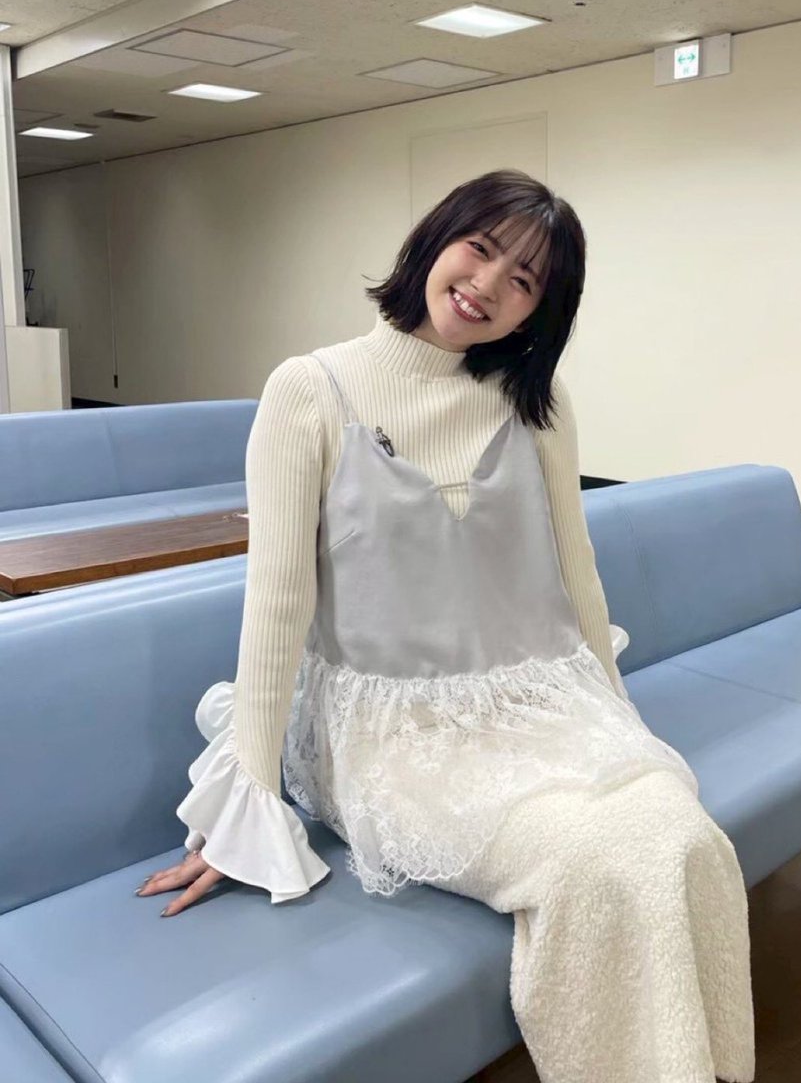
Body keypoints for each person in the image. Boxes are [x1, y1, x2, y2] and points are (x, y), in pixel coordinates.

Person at [137, 169, 755, 1083]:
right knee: (597, 859)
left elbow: (579, 577)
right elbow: (275, 607)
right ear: (438, 236)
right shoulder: (311, 390)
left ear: (541, 309)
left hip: (541, 706)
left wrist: (621, 728)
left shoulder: (537, 404)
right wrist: (247, 810)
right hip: (392, 736)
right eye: (482, 249)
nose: (488, 285)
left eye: (524, 280)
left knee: (684, 833)